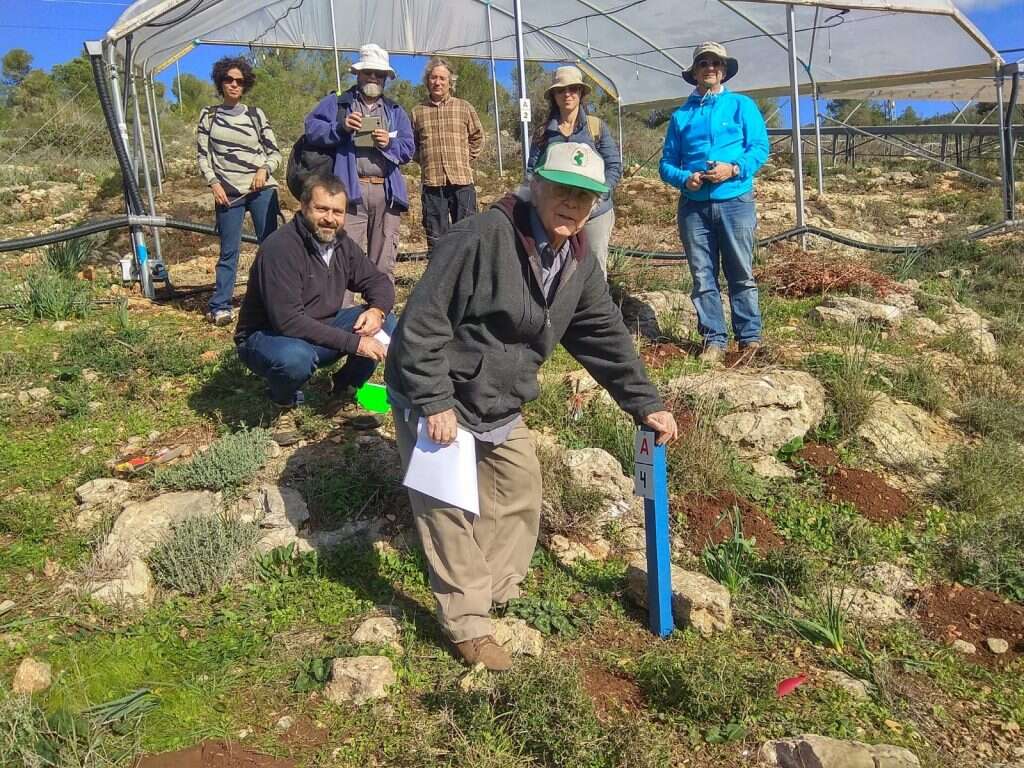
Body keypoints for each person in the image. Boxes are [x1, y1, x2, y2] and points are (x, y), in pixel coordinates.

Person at [385, 143, 678, 671]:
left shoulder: (578, 256)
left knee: (518, 491)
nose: (573, 204)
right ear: (536, 185)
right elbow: (422, 323)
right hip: (438, 389)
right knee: (446, 504)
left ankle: (494, 591)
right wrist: (432, 400)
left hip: (501, 396)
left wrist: (645, 403)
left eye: (585, 197)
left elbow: (601, 333)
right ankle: (469, 625)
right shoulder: (480, 236)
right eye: (563, 189)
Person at [234, 175, 396, 408]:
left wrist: (377, 310)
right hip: (270, 337)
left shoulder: (341, 244)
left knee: (386, 322)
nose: (330, 219)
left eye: (337, 212)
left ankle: (346, 388)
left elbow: (377, 281)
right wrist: (356, 343)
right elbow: (288, 322)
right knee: (296, 359)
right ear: (303, 206)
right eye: (321, 209)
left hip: (320, 328)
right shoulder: (281, 248)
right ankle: (283, 401)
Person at [659, 42, 769, 364]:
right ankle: (714, 340)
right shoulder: (681, 117)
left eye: (716, 63)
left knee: (740, 272)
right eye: (703, 63)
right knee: (703, 276)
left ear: (723, 70)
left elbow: (760, 148)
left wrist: (733, 169)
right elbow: (666, 164)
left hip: (735, 200)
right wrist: (685, 179)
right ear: (694, 72)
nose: (710, 68)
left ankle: (749, 338)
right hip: (694, 206)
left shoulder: (741, 105)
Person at [304, 44, 415, 305]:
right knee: (341, 256)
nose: (373, 78)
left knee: (383, 260)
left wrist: (388, 144)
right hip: (348, 194)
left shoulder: (395, 111)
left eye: (378, 74)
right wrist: (340, 127)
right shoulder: (338, 103)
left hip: (386, 194)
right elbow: (311, 129)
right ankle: (340, 320)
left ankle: (380, 317)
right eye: (368, 73)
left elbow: (409, 149)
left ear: (386, 78)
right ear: (358, 74)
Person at [197, 56, 283, 326]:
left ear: (245, 85)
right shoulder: (208, 116)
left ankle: (276, 304)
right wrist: (214, 183)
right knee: (229, 251)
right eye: (228, 80)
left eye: (239, 81)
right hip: (228, 193)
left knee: (271, 248)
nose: (234, 85)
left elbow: (275, 153)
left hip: (261, 191)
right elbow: (202, 156)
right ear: (220, 82)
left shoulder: (256, 115)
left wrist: (263, 170)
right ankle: (221, 305)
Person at [527, 66, 621, 277]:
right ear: (554, 96)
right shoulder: (544, 133)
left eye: (573, 89)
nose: (567, 94)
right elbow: (533, 170)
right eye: (561, 90)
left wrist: (595, 199)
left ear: (581, 93)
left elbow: (614, 166)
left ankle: (593, 308)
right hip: (556, 211)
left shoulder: (595, 127)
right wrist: (540, 201)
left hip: (596, 213)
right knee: (556, 266)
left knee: (594, 264)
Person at [411, 57, 485, 252]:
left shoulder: (464, 107)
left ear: (450, 82)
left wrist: (464, 159)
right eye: (434, 77)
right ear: (427, 80)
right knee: (436, 238)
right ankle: (440, 280)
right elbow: (412, 145)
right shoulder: (418, 112)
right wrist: (426, 161)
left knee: (468, 234)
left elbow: (478, 137)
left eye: (443, 78)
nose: (438, 82)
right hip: (432, 184)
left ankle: (467, 279)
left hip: (462, 182)